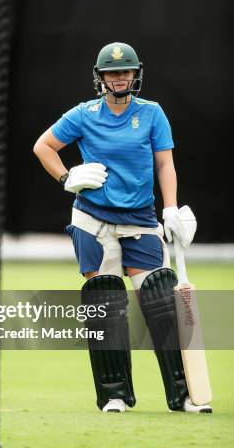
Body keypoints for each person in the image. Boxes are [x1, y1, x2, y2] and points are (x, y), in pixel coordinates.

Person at [33, 41, 211, 414]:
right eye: (113, 72)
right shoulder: (83, 114)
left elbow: (165, 165)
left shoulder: (152, 114)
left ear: (136, 74)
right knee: (106, 302)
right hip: (93, 219)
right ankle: (114, 395)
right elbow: (43, 147)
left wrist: (172, 209)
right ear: (100, 78)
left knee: (161, 302)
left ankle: (182, 395)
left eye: (126, 71)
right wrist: (67, 177)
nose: (120, 78)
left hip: (141, 219)